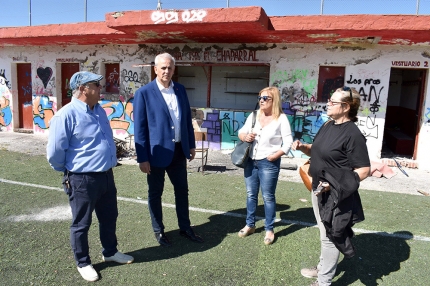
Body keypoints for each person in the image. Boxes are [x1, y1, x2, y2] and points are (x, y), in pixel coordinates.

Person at [46, 71, 134, 282]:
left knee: (109, 217)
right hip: (82, 179)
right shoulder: (65, 115)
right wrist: (70, 172)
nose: (100, 87)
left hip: (106, 176)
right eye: (95, 84)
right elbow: (55, 153)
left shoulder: (99, 111)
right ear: (83, 88)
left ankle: (110, 251)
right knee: (81, 224)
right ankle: (83, 262)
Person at [292, 86, 371, 286]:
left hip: (336, 195)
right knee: (324, 233)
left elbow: (363, 169)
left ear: (345, 107)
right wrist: (303, 147)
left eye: (333, 102)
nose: (328, 103)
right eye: (329, 100)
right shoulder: (328, 124)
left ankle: (324, 281)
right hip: (318, 189)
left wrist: (335, 185)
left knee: (330, 236)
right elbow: (316, 151)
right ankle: (323, 268)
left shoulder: (353, 134)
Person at [133, 53, 203, 247]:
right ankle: (159, 230)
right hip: (155, 154)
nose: (166, 71)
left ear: (174, 69)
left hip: (179, 151)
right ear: (155, 69)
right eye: (162, 67)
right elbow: (139, 128)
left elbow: (186, 118)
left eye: (170, 68)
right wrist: (142, 157)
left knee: (182, 190)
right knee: (155, 193)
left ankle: (185, 227)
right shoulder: (144, 93)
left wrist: (190, 145)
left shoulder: (180, 89)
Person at [236, 87, 293, 245]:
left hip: (269, 162)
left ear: (274, 100)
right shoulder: (254, 115)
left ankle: (269, 229)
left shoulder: (281, 119)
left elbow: (288, 142)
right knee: (251, 194)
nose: (261, 100)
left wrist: (275, 155)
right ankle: (250, 225)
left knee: (268, 197)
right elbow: (241, 132)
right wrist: (245, 136)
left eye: (265, 98)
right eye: (260, 97)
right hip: (250, 161)